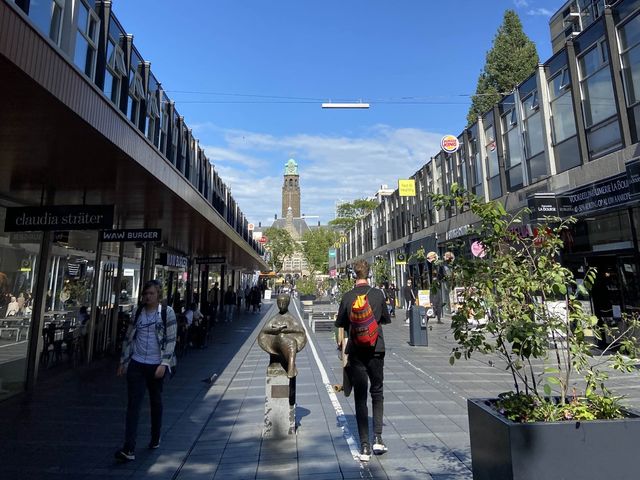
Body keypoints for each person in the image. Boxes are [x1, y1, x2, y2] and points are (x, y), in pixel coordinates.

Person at [115, 279, 177, 462]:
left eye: (151, 294)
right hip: (136, 363)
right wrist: (123, 361)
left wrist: (164, 364)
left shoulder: (167, 313)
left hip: (156, 364)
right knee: (133, 405)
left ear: (159, 295)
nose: (147, 297)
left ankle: (155, 436)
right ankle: (129, 448)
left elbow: (171, 340)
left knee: (155, 402)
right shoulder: (138, 312)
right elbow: (129, 337)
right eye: (145, 294)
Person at [335, 259, 391, 462]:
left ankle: (365, 446)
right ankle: (378, 438)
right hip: (376, 349)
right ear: (369, 274)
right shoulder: (377, 294)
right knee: (377, 392)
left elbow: (340, 322)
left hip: (357, 351)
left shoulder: (348, 296)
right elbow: (385, 318)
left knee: (360, 398)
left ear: (354, 275)